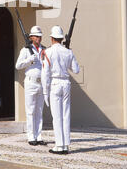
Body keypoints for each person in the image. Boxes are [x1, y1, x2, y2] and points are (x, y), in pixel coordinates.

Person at [42, 25, 80, 154]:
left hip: (55, 83)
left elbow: (45, 73)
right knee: (65, 115)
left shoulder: (48, 52)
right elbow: (76, 70)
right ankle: (65, 145)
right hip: (66, 83)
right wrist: (68, 53)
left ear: (52, 38)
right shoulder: (68, 52)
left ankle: (59, 145)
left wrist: (45, 91)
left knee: (57, 116)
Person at [15, 26, 47, 146]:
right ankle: (31, 136)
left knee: (39, 110)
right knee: (30, 110)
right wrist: (29, 60)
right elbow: (18, 66)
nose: (38, 38)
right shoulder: (25, 50)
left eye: (40, 36)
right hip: (30, 82)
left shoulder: (43, 50)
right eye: (36, 36)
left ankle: (38, 136)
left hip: (41, 83)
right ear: (31, 37)